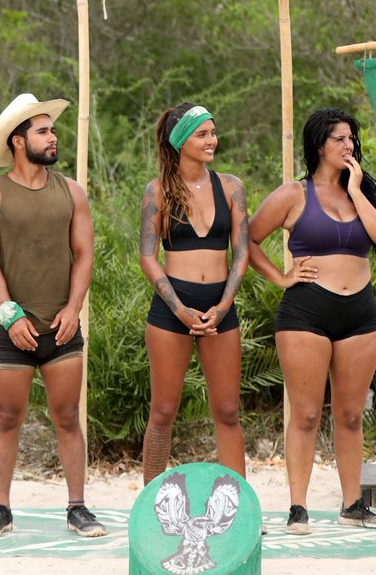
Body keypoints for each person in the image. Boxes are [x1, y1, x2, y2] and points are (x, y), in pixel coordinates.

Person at [249, 107, 376, 535]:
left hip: (360, 315)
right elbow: (248, 239)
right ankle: (298, 508)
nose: (349, 145)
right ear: (319, 145)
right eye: (339, 139)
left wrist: (356, 188)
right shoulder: (293, 194)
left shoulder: (367, 191)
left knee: (350, 415)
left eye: (352, 139)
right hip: (306, 313)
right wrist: (281, 276)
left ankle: (353, 505)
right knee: (307, 414)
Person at [0, 93, 107, 539]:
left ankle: (78, 508)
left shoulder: (72, 192)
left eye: (53, 130)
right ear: (18, 140)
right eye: (43, 131)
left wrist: (73, 307)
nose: (53, 137)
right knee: (8, 416)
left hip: (62, 327)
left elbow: (84, 254)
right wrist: (10, 315)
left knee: (67, 417)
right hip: (13, 328)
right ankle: (0, 510)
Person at [138, 103, 249, 484]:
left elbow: (242, 252)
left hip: (220, 305)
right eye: (202, 134)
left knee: (228, 410)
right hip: (172, 307)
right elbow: (147, 256)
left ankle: (238, 504)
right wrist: (179, 308)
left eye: (213, 133)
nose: (212, 140)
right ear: (181, 141)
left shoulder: (231, 187)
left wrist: (224, 305)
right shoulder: (158, 191)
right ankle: (150, 501)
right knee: (163, 411)